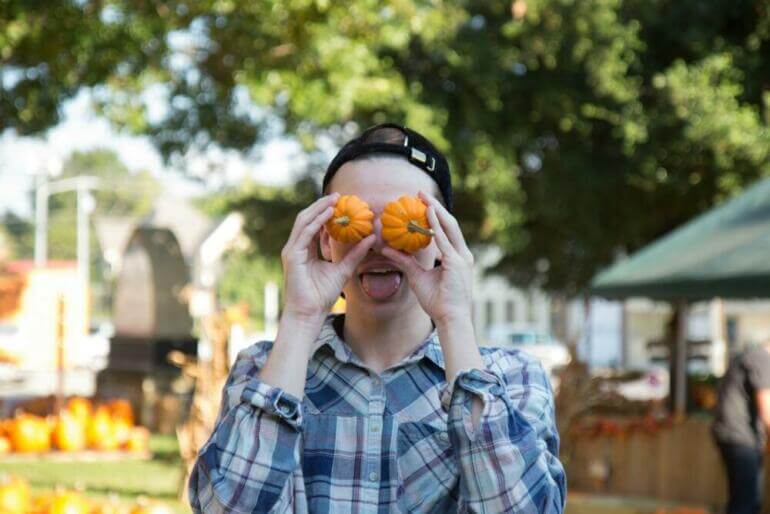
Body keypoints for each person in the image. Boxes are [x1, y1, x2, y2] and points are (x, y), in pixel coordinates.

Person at [188, 123, 566, 513]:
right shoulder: (263, 371)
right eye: (357, 219)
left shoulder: (512, 379)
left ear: (441, 240)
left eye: (406, 219)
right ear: (325, 239)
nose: (379, 242)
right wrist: (300, 317)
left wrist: (454, 318)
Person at [713, 341, 770, 514]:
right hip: (741, 438)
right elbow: (767, 410)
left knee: (746, 500)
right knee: (745, 503)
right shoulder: (761, 358)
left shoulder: (749, 355)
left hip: (736, 436)